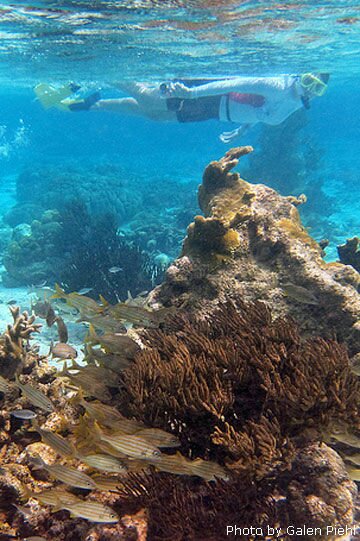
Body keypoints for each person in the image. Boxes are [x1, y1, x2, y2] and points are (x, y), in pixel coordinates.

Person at [35, 73, 329, 143]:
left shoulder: (294, 101)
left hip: (216, 111)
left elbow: (262, 112)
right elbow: (234, 82)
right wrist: (191, 92)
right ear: (300, 75)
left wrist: (243, 126)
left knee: (155, 115)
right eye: (308, 81)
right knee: (150, 99)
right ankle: (100, 71)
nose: (309, 91)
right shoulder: (278, 86)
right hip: (208, 97)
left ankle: (90, 105)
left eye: (317, 88)